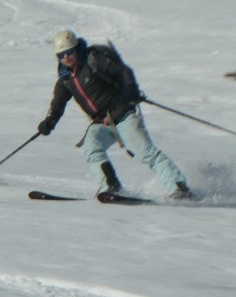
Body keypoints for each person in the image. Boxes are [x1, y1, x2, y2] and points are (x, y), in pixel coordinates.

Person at [37, 29, 193, 199]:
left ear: (76, 49)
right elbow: (58, 103)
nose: (66, 58)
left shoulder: (94, 59)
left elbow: (123, 71)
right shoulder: (65, 79)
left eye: (69, 52)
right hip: (102, 122)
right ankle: (111, 186)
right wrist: (50, 121)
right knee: (91, 146)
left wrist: (130, 89)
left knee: (145, 152)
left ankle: (179, 187)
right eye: (61, 55)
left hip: (123, 113)